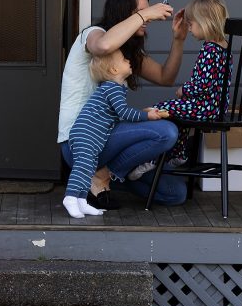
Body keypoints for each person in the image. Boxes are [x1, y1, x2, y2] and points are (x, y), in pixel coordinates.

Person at [57, 0, 189, 208]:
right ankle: (100, 176)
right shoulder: (93, 34)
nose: (148, 18)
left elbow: (165, 77)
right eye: (140, 12)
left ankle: (103, 177)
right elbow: (104, 45)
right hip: (81, 142)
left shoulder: (127, 54)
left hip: (109, 140)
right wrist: (146, 14)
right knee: (166, 132)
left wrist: (179, 40)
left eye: (147, 11)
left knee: (175, 193)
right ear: (122, 13)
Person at [63, 51, 166, 218]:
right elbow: (124, 112)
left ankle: (81, 201)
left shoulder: (113, 88)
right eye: (124, 59)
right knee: (82, 167)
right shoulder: (112, 88)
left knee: (89, 168)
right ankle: (70, 197)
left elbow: (119, 114)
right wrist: (146, 116)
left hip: (92, 135)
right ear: (114, 70)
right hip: (86, 133)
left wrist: (142, 113)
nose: (128, 60)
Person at [154, 0, 232, 164]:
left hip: (206, 108)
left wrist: (184, 89)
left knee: (160, 108)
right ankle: (179, 154)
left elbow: (204, 85)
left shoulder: (210, 50)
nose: (189, 29)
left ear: (205, 22)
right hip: (216, 107)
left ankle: (152, 159)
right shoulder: (224, 47)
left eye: (191, 24)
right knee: (180, 112)